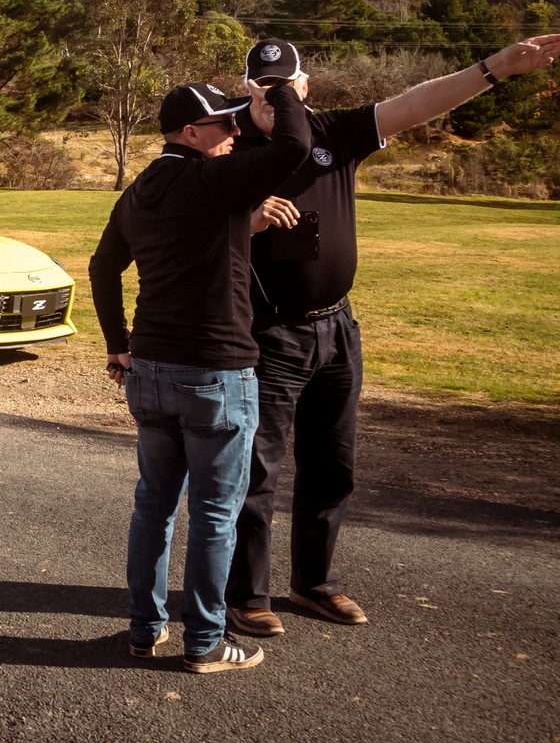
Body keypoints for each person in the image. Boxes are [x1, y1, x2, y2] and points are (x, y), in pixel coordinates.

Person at [225, 33, 560, 637]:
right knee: (257, 468)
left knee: (332, 464)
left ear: (305, 84)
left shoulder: (334, 132)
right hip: (268, 331)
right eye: (262, 87)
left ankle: (313, 584)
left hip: (336, 327)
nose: (275, 96)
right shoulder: (225, 143)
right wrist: (243, 225)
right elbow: (180, 221)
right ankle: (247, 594)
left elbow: (416, 102)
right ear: (248, 86)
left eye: (285, 85)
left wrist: (495, 68)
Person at [89, 79, 311, 674]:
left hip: (151, 371)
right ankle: (206, 642)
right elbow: (293, 148)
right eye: (226, 124)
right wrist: (284, 89)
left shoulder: (139, 191)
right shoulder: (209, 180)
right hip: (215, 373)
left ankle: (145, 629)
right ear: (191, 134)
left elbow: (102, 265)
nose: (237, 132)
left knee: (154, 507)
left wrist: (119, 345)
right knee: (215, 512)